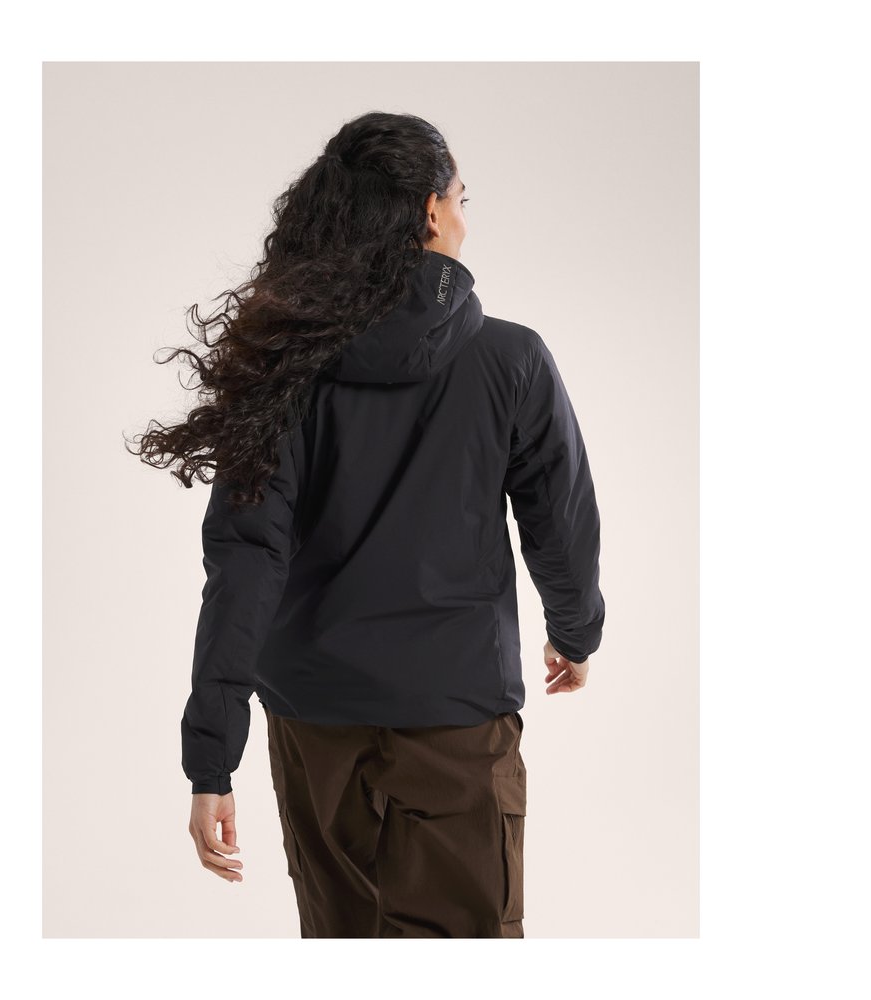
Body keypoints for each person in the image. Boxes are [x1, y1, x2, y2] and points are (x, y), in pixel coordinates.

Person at [133, 111, 605, 937]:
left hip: (314, 721)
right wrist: (575, 632)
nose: (464, 219)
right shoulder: (512, 360)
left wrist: (212, 760)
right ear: (428, 211)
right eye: (461, 199)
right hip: (455, 716)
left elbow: (243, 564)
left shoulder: (285, 367)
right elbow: (559, 524)